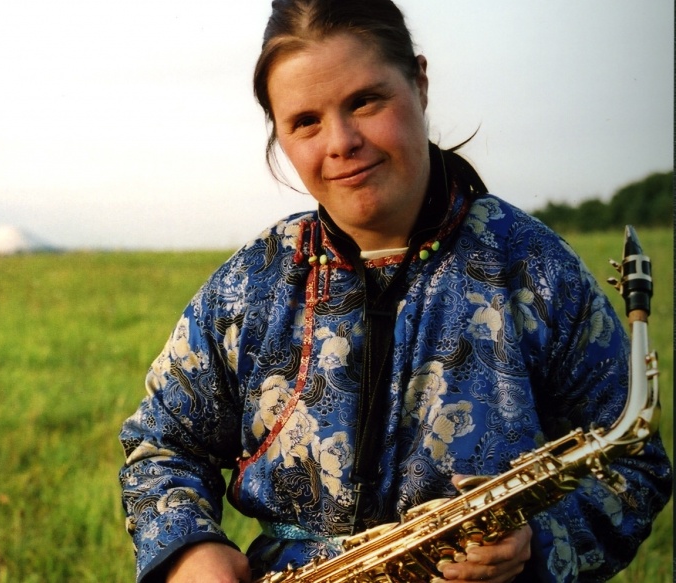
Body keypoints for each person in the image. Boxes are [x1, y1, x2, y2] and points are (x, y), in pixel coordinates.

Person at [117, 1, 673, 582]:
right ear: (279, 135)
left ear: (420, 82)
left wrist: (537, 543)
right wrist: (189, 552)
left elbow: (636, 467)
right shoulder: (247, 286)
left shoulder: (535, 269)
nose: (341, 142)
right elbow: (161, 446)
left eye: (365, 101)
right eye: (305, 121)